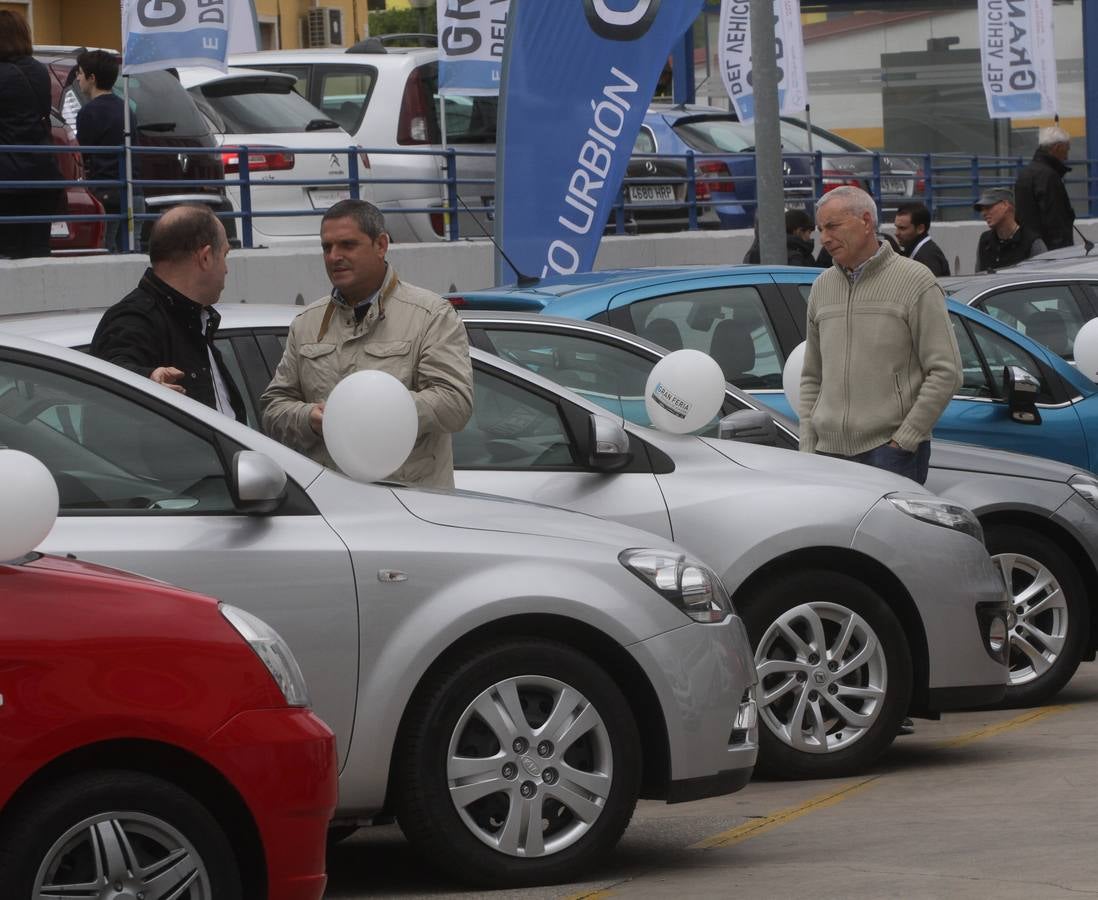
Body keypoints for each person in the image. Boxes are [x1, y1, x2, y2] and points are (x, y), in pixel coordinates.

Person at [261, 199, 473, 488]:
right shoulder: (307, 323)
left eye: (347, 245)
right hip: (330, 502)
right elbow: (273, 410)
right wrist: (308, 417)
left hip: (411, 504)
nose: (334, 256)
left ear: (381, 245)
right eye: (327, 247)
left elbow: (454, 404)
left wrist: (374, 411)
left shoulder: (430, 315)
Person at [799, 186, 961, 486]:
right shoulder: (822, 287)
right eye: (821, 228)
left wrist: (904, 440)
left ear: (866, 221)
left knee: (892, 536)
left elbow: (946, 371)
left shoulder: (915, 280)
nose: (825, 238)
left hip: (889, 454)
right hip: (826, 455)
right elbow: (812, 376)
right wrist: (808, 443)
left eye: (833, 226)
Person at [90, 204, 246, 421]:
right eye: (225, 255)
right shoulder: (135, 318)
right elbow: (108, 375)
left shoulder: (195, 319)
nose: (227, 269)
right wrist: (148, 380)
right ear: (206, 257)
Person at [0, 10, 62, 259]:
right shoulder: (38, 70)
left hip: (7, 176)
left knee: (7, 252)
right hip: (42, 173)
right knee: (38, 251)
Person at [74, 50, 124, 253]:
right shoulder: (126, 108)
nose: (78, 78)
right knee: (132, 252)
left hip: (105, 193)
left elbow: (82, 155)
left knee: (106, 251)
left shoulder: (89, 112)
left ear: (91, 78)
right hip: (133, 191)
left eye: (79, 73)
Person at [1014, 126, 1074, 251]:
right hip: (1052, 253)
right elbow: (1056, 221)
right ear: (1057, 147)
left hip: (1028, 248)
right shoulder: (1049, 176)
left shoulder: (1025, 173)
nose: (1066, 157)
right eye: (1066, 150)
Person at [974, 187, 1047, 272]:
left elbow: (1043, 278)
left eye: (988, 207)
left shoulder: (1032, 242)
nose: (983, 213)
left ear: (1005, 205)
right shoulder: (985, 241)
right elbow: (978, 278)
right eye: (982, 209)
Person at [742, 208, 818, 266]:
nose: (809, 238)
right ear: (799, 231)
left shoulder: (755, 253)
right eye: (809, 233)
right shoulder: (799, 255)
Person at [893, 202, 950, 276]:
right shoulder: (917, 251)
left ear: (920, 228)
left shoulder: (928, 257)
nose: (896, 233)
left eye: (902, 228)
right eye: (896, 227)